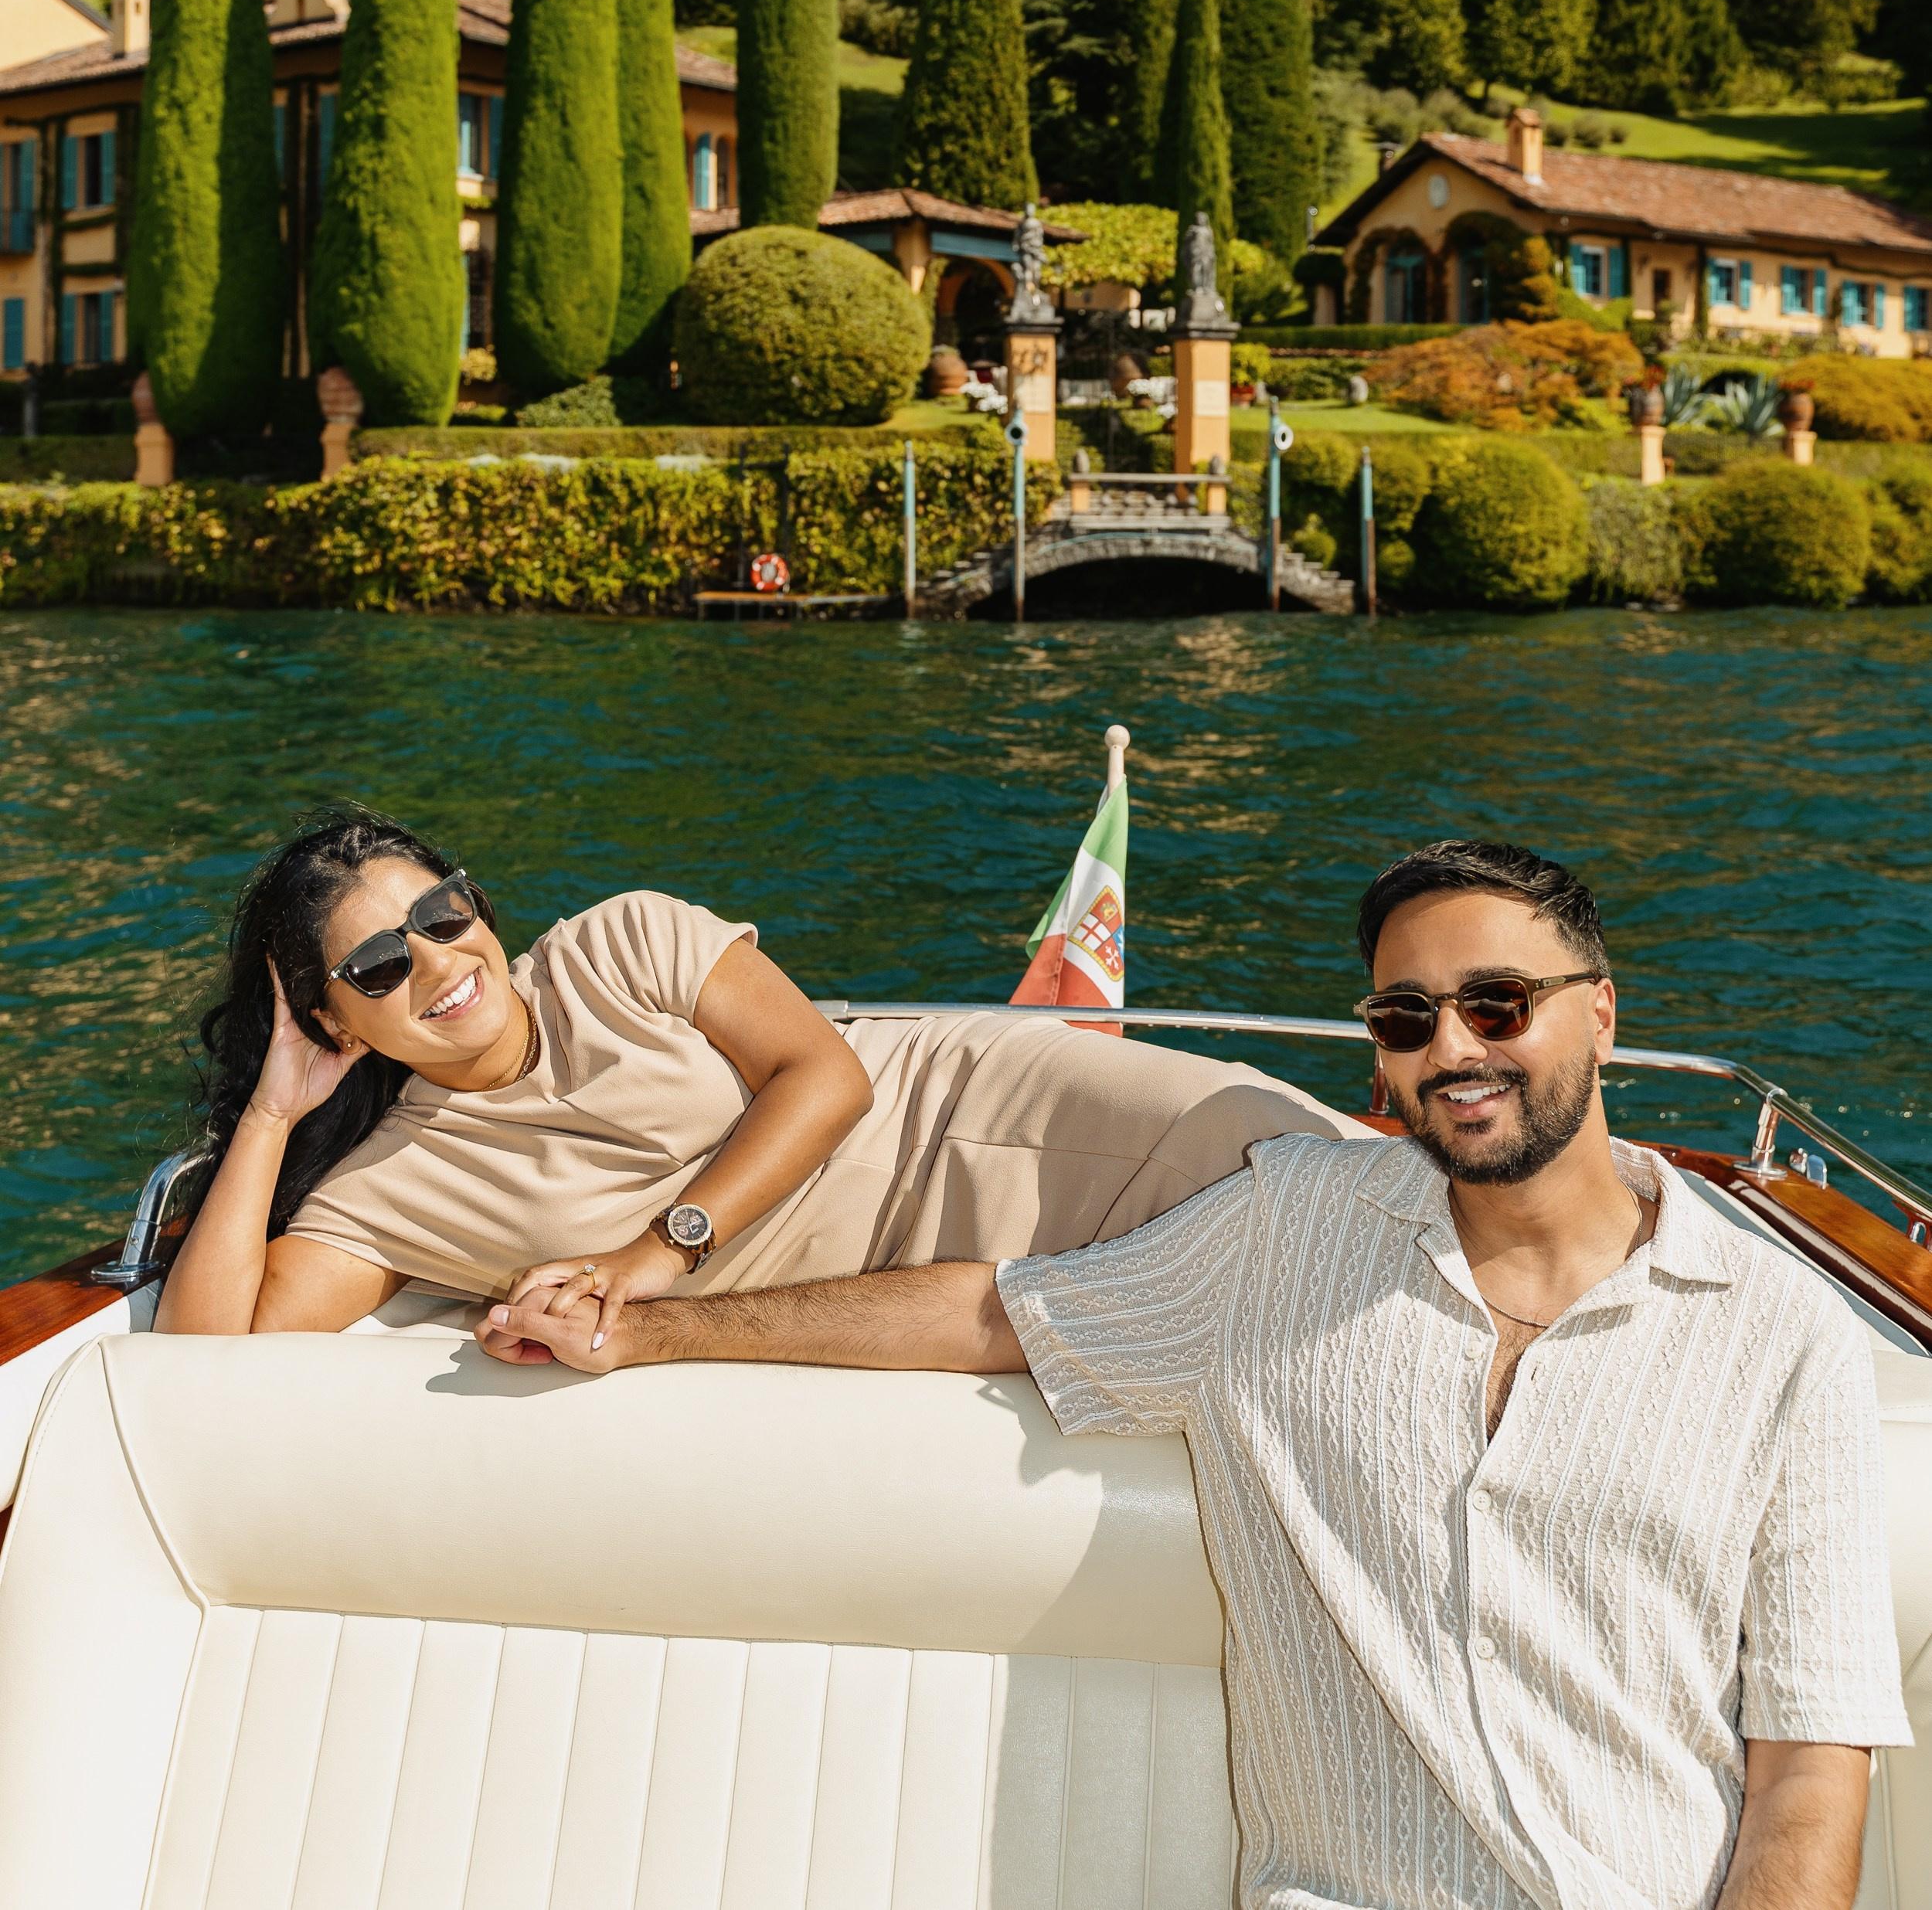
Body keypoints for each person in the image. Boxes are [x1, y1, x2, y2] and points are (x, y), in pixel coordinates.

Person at [479, 837, 1911, 1910]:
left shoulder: (1784, 1334)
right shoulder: (1283, 1230)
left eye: (1498, 1002)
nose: (1454, 1049)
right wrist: (648, 1324)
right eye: (1406, 1019)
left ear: (1600, 1012)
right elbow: (994, 1312)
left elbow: (1809, 1763)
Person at [158, 808, 1357, 1337]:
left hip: (964, 1105)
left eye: (440, 913)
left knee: (1296, 1159)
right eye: (377, 963)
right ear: (332, 1018)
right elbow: (212, 1342)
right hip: (912, 1285)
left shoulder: (616, 941)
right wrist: (272, 1107)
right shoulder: (395, 1187)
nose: (435, 959)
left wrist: (656, 1253)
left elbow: (824, 1074)